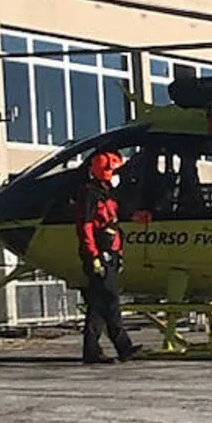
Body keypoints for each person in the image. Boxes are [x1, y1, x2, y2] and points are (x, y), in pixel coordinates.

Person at [74, 150, 142, 364]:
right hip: (98, 256)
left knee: (98, 304)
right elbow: (85, 228)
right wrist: (93, 256)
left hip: (109, 254)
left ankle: (92, 351)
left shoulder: (107, 193)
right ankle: (124, 346)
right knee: (110, 300)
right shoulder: (89, 194)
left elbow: (115, 221)